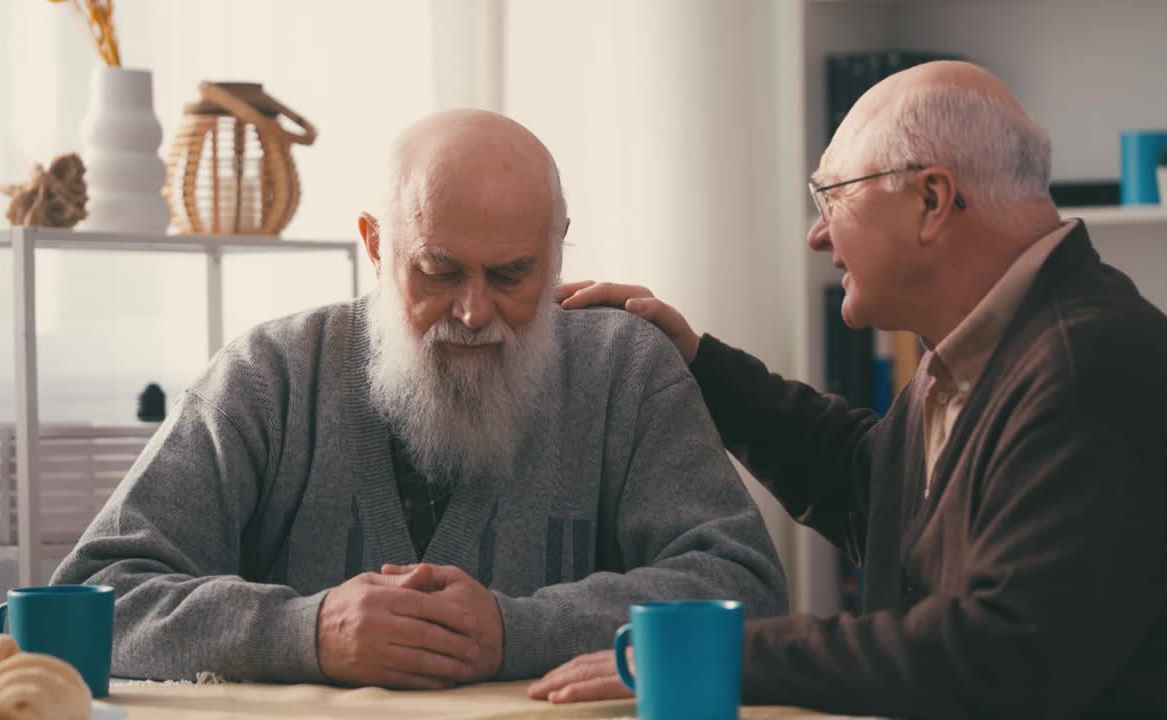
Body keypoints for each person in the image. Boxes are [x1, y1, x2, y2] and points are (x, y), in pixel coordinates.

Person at [533, 61, 1167, 717]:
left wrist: (730, 658)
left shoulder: (1090, 372)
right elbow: (874, 486)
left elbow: (1000, 655)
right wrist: (695, 361)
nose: (817, 236)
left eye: (833, 197)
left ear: (931, 201)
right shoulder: (993, 351)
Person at [52, 109, 787, 688]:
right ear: (376, 245)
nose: (472, 312)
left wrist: (516, 630)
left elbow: (744, 590)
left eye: (511, 276)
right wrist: (306, 633)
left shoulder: (624, 370)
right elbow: (89, 602)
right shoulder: (268, 373)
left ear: (558, 247)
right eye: (438, 272)